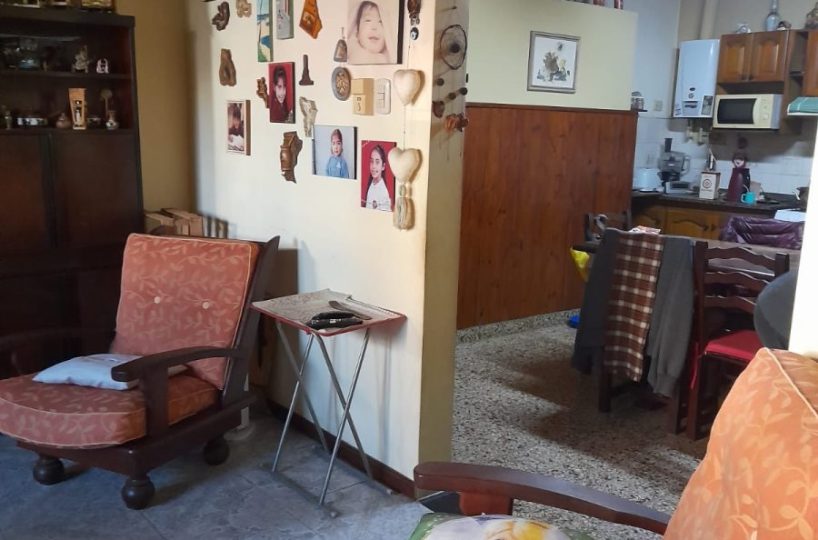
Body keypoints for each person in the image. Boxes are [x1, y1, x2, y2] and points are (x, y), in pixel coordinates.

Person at [363, 144, 392, 211]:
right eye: (371, 161)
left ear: (383, 166)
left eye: (377, 162)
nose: (373, 166)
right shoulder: (371, 184)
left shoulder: (383, 192)